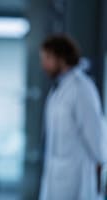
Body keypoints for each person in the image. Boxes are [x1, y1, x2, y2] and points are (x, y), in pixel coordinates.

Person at [39, 34, 106, 200]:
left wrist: (100, 162)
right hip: (57, 172)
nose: (44, 64)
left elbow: (94, 131)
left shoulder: (82, 88)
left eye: (48, 58)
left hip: (77, 174)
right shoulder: (58, 89)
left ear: (61, 58)